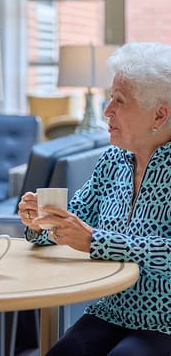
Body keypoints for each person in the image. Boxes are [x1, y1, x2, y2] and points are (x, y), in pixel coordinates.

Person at [18, 42, 171, 356]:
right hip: (111, 311)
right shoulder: (113, 159)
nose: (106, 111)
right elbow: (74, 220)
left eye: (119, 101)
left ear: (159, 114)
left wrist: (96, 241)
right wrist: (40, 222)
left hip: (164, 321)